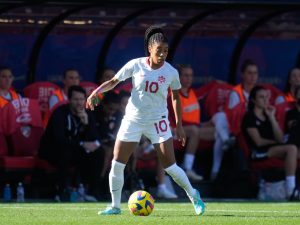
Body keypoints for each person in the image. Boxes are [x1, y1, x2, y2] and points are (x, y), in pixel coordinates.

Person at [86, 25, 205, 216]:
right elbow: (115, 81)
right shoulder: (135, 64)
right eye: (159, 50)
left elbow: (175, 98)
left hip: (158, 121)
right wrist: (96, 92)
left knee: (171, 167)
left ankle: (194, 195)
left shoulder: (171, 72)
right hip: (133, 119)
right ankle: (115, 206)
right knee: (117, 164)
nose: (163, 54)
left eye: (166, 51)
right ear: (150, 49)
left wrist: (180, 125)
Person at [39, 85, 103, 202]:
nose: (79, 103)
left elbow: (95, 139)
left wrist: (87, 124)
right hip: (52, 151)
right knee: (65, 152)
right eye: (75, 99)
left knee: (98, 152)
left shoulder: (87, 114)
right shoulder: (60, 113)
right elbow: (59, 140)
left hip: (75, 150)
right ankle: (61, 191)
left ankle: (92, 191)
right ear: (69, 100)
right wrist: (82, 144)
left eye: (81, 99)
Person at [242, 86, 298, 199]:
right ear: (253, 100)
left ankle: (293, 188)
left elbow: (280, 138)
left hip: (271, 149)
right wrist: (275, 143)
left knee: (295, 150)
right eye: (261, 97)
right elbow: (258, 142)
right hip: (257, 153)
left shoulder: (268, 116)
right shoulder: (249, 117)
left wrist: (272, 117)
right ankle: (290, 189)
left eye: (267, 97)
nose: (265, 100)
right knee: (291, 149)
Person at [210, 59, 259, 180]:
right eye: (249, 73)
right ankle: (227, 141)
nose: (253, 76)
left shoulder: (260, 92)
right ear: (242, 74)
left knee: (218, 135)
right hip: (237, 127)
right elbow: (232, 116)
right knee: (219, 117)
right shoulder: (236, 92)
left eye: (255, 73)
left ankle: (215, 169)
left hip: (256, 126)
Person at [169, 64, 215, 181]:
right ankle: (187, 167)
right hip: (174, 130)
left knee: (216, 132)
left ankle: (216, 172)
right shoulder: (172, 94)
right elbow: (178, 120)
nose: (189, 78)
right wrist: (198, 126)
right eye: (186, 75)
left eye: (191, 76)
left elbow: (211, 86)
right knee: (195, 131)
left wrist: (205, 124)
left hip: (192, 128)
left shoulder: (193, 93)